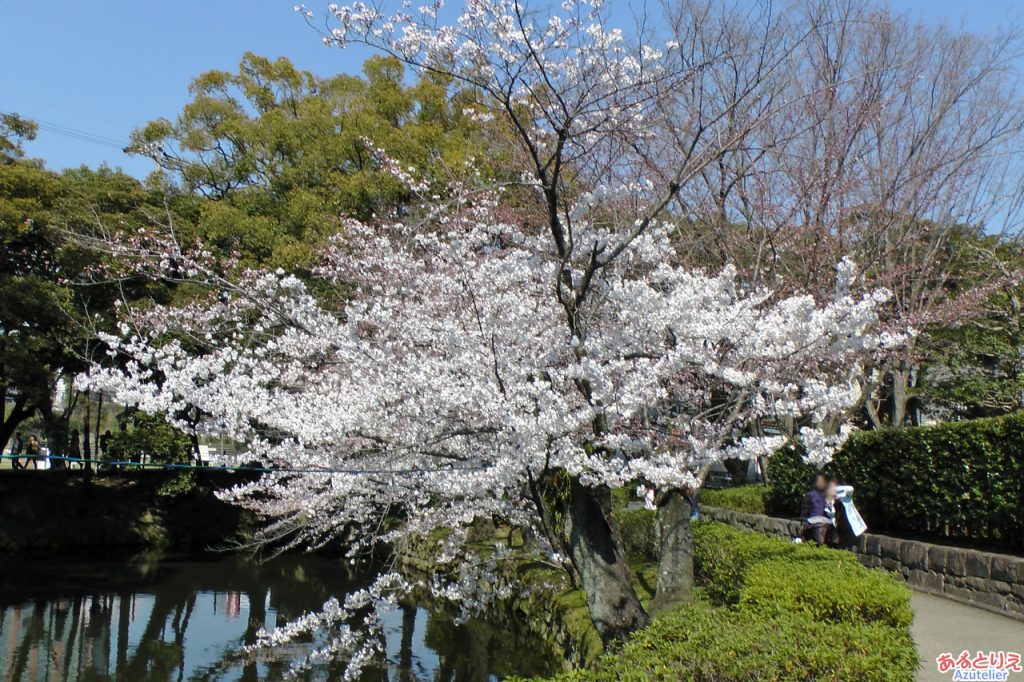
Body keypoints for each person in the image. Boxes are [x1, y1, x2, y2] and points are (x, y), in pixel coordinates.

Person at [800, 472, 839, 546]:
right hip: (814, 525)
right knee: (819, 531)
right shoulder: (810, 495)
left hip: (826, 525)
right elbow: (804, 513)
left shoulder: (826, 496)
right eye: (819, 481)